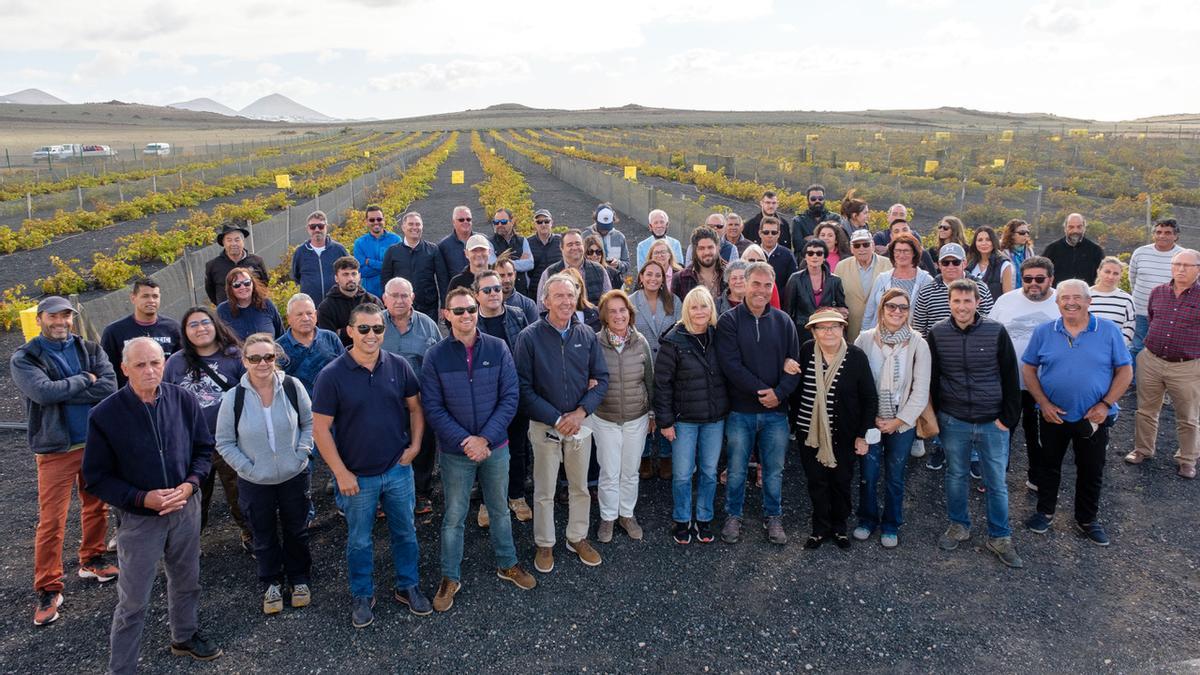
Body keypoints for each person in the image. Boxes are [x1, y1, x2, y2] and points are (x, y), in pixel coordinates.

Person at [83, 338, 223, 672]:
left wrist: (190, 486)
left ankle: (184, 636)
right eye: (141, 364)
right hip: (139, 520)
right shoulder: (105, 415)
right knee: (133, 600)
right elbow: (97, 478)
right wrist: (141, 498)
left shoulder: (183, 399)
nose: (149, 371)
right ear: (124, 368)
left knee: (187, 579)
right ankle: (122, 667)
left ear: (165, 363)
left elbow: (204, 450)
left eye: (156, 363)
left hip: (185, 509)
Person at [311, 303, 430, 628]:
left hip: (397, 470)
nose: (371, 335)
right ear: (349, 331)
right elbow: (320, 429)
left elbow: (415, 409)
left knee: (405, 531)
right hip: (356, 476)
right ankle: (362, 593)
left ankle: (408, 585)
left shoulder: (399, 365)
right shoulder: (331, 375)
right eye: (363, 329)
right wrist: (340, 472)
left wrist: (416, 446)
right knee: (359, 539)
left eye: (377, 329)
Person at [421, 288, 535, 612]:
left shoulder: (498, 348)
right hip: (456, 453)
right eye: (458, 311)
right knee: (454, 515)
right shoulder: (436, 356)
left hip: (495, 447)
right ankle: (450, 577)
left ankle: (507, 562)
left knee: (499, 508)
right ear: (446, 315)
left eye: (470, 309)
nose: (466, 315)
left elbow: (510, 397)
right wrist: (466, 441)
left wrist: (485, 438)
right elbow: (433, 406)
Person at [11, 295, 118, 626]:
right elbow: (42, 393)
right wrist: (86, 380)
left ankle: (92, 557)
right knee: (52, 520)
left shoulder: (89, 348)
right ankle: (47, 586)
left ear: (73, 318)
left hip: (93, 441)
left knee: (96, 505)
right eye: (53, 317)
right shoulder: (26, 357)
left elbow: (110, 386)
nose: (60, 322)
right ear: (40, 318)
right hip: (56, 447)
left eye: (66, 316)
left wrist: (66, 389)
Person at [1021, 280, 1131, 546]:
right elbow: (1028, 368)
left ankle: (1087, 519)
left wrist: (1105, 404)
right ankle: (1044, 512)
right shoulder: (1044, 332)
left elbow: (1125, 371)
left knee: (1091, 469)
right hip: (1052, 415)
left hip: (1093, 417)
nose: (1070, 302)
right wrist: (1043, 403)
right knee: (1048, 466)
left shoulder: (1107, 331)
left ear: (1088, 300)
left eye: (1076, 297)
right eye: (1064, 298)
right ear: (1057, 303)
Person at [515, 273, 609, 573]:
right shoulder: (529, 337)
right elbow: (522, 388)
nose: (566, 301)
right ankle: (545, 543)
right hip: (545, 426)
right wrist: (556, 418)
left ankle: (577, 536)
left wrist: (581, 413)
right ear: (546, 300)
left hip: (580, 425)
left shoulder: (586, 336)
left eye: (570, 296)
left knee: (580, 487)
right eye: (559, 296)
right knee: (544, 489)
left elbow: (602, 379)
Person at [215, 333, 315, 614]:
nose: (262, 363)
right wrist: (248, 468)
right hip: (255, 481)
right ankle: (271, 581)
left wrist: (301, 453)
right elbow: (224, 441)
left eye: (268, 357)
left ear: (276, 359)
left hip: (293, 475)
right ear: (245, 361)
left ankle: (299, 578)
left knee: (297, 529)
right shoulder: (233, 398)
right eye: (255, 358)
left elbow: (309, 422)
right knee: (263, 533)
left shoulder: (293, 387)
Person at [928, 280, 1023, 568]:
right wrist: (938, 415)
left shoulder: (995, 331)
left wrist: (1008, 419)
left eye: (967, 301)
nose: (962, 307)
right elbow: (933, 378)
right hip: (954, 419)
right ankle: (959, 525)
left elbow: (1010, 376)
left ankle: (1000, 536)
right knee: (956, 476)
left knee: (996, 482)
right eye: (956, 301)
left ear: (978, 302)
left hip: (992, 421)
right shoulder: (938, 333)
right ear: (949, 303)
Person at [717, 262, 800, 545]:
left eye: (768, 285)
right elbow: (731, 365)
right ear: (744, 284)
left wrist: (780, 393)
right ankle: (733, 515)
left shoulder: (784, 322)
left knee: (774, 469)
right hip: (741, 410)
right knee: (737, 467)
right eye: (756, 284)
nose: (761, 291)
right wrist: (764, 390)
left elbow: (794, 364)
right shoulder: (728, 321)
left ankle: (773, 516)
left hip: (776, 412)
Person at [163, 306, 253, 549]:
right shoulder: (176, 362)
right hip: (191, 444)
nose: (200, 328)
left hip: (232, 440)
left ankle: (250, 534)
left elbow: (253, 393)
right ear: (185, 332)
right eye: (193, 325)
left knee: (240, 492)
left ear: (216, 325)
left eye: (205, 322)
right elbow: (165, 400)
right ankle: (190, 543)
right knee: (195, 496)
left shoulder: (234, 356)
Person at [791, 309, 877, 550]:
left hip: (845, 434)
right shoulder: (807, 351)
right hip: (809, 433)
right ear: (814, 332)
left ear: (842, 329)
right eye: (822, 327)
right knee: (816, 481)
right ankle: (819, 529)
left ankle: (839, 528)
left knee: (841, 481)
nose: (828, 331)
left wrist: (863, 434)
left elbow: (869, 397)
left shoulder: (856, 357)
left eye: (834, 326)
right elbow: (795, 388)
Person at [851, 290, 930, 548]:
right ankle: (867, 519)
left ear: (909, 311)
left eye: (903, 308)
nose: (897, 312)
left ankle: (890, 524)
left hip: (901, 421)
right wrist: (867, 418)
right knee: (868, 473)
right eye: (892, 307)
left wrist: (898, 421)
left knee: (895, 475)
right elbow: (855, 383)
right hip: (870, 419)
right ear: (882, 309)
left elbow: (921, 390)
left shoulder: (918, 343)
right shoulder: (864, 340)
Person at [655, 287, 728, 544]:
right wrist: (665, 422)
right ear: (687, 310)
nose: (700, 312)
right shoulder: (674, 340)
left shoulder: (719, 337)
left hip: (714, 419)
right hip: (684, 420)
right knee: (683, 474)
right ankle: (682, 519)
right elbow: (662, 384)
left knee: (709, 472)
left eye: (704, 306)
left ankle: (704, 518)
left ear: (711, 310)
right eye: (694, 307)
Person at [1126, 249, 1200, 478]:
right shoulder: (1158, 292)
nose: (1180, 269)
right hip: (1151, 360)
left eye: (1187, 265)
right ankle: (1143, 449)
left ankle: (1187, 459)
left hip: (1186, 366)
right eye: (1177, 264)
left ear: (1198, 269)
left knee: (1188, 416)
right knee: (1146, 410)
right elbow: (1151, 317)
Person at [989, 256, 1060, 491]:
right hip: (1008, 382)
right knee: (1002, 432)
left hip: (1044, 386)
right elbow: (991, 335)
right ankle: (997, 476)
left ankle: (1037, 477)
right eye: (1028, 279)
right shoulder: (1006, 301)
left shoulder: (1063, 300)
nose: (1033, 284)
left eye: (1040, 279)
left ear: (1051, 278)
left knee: (1037, 435)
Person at [589, 290, 653, 543]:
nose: (618, 315)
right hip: (605, 418)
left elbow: (650, 381)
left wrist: (652, 413)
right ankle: (607, 516)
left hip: (636, 418)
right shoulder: (594, 343)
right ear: (604, 315)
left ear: (630, 313)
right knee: (609, 470)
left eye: (622, 310)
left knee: (630, 470)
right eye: (612, 311)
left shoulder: (641, 343)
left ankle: (626, 514)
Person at [472, 270, 532, 524]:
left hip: (515, 394)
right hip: (484, 399)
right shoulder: (470, 321)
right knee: (486, 450)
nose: (494, 293)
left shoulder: (518, 316)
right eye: (487, 290)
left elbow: (530, 353)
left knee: (517, 449)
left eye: (496, 288)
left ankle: (516, 495)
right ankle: (488, 501)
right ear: (477, 295)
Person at [380, 277, 442, 516]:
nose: (399, 300)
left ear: (412, 297)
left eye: (404, 295)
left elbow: (437, 361)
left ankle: (422, 492)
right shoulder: (377, 325)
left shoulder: (427, 325)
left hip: (420, 400)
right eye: (394, 295)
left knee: (423, 446)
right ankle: (388, 494)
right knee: (388, 446)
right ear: (384, 298)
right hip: (385, 401)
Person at [630, 260, 680, 479]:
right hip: (639, 362)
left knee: (665, 406)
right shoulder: (631, 302)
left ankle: (666, 456)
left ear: (663, 279)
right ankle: (645, 456)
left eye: (658, 275)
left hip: (668, 363)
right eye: (648, 274)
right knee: (643, 407)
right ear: (641, 277)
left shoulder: (674, 301)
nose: (653, 279)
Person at [100, 278, 181, 388]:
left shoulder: (173, 329)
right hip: (130, 398)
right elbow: (108, 371)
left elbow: (182, 364)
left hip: (168, 395)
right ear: (133, 298)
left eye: (155, 296)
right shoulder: (114, 331)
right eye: (145, 296)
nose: (151, 300)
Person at [1128, 218, 1184, 362]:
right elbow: (1132, 279)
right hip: (1140, 312)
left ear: (1176, 236)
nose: (1162, 236)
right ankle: (1133, 383)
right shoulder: (1140, 252)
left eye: (1167, 232)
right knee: (1136, 347)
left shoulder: (1183, 256)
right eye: (1158, 232)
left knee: (1162, 351)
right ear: (1154, 234)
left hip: (1168, 315)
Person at [911, 243, 995, 338]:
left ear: (964, 263)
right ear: (939, 265)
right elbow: (919, 330)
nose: (950, 266)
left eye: (956, 262)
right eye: (945, 262)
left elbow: (989, 323)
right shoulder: (926, 292)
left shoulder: (980, 289)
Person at [381, 210, 448, 319]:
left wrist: (444, 305)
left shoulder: (433, 250)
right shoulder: (392, 251)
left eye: (418, 224)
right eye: (410, 224)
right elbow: (385, 278)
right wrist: (387, 300)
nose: (414, 227)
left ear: (422, 227)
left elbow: (442, 278)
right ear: (403, 227)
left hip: (428, 306)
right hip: (400, 305)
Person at [862, 234, 933, 331]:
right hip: (881, 337)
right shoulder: (882, 279)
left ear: (914, 253)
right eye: (898, 251)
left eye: (906, 251)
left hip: (913, 338)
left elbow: (931, 315)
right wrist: (864, 335)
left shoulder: (926, 281)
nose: (901, 255)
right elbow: (869, 312)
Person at [277, 293, 345, 395]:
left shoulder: (331, 338)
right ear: (288, 318)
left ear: (316, 315)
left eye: (309, 313)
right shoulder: (279, 348)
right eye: (299, 314)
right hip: (296, 407)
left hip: (333, 404)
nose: (305, 318)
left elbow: (344, 371)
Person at [835, 229, 892, 341]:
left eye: (866, 244)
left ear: (873, 245)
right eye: (856, 245)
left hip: (882, 329)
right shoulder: (841, 267)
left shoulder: (889, 264)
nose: (861, 249)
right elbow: (835, 297)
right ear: (851, 249)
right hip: (852, 329)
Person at [784, 238, 848, 334]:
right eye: (810, 253)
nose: (814, 256)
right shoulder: (795, 279)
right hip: (802, 330)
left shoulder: (835, 280)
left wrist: (833, 310)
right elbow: (788, 310)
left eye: (819, 253)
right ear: (805, 257)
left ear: (824, 257)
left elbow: (843, 309)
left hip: (827, 330)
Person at [318, 256, 383, 347]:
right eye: (345, 274)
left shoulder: (373, 302)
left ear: (359, 276)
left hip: (372, 353)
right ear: (336, 278)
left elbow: (381, 331)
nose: (351, 278)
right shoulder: (326, 307)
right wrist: (364, 328)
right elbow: (329, 341)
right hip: (341, 357)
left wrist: (342, 332)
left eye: (354, 274)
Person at [536, 229, 611, 307]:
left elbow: (608, 302)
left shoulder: (599, 270)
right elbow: (542, 306)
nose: (575, 247)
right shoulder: (549, 273)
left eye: (578, 243)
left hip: (595, 318)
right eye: (570, 244)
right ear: (561, 248)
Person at [291, 210, 349, 302]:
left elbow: (349, 272)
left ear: (326, 227)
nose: (317, 230)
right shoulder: (300, 252)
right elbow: (296, 277)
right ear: (308, 228)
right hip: (311, 307)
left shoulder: (339, 250)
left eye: (321, 226)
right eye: (313, 227)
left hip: (337, 304)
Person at [205, 223, 268, 305]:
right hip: (227, 314)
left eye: (237, 240)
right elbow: (211, 292)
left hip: (254, 309)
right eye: (229, 240)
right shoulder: (213, 265)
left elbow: (264, 284)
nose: (233, 243)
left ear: (243, 241)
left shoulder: (256, 261)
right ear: (223, 243)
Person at [216, 268, 283, 340]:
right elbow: (220, 341)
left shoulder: (266, 304)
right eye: (237, 285)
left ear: (253, 284)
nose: (243, 287)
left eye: (247, 282)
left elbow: (281, 335)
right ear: (230, 288)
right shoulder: (223, 310)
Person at [1042, 213, 1105, 286]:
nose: (1075, 231)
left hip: (1086, 295)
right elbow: (1042, 273)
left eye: (1079, 227)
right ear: (1065, 228)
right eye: (1071, 227)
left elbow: (1102, 276)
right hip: (1059, 295)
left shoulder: (1095, 250)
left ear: (1084, 228)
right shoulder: (1052, 249)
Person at [353, 205, 401, 298]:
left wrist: (370, 262)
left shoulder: (395, 240)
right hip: (369, 296)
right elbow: (361, 272)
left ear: (384, 220)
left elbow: (398, 268)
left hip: (393, 295)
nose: (376, 222)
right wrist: (387, 267)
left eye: (379, 219)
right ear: (366, 221)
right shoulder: (359, 243)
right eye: (372, 220)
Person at [1089, 257, 1136, 347]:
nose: (1111, 277)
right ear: (1098, 271)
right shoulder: (1084, 295)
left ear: (1120, 275)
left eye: (1115, 273)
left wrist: (1115, 348)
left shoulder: (1127, 300)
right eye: (1107, 272)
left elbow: (1129, 329)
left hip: (1114, 352)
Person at [672, 226, 728, 301]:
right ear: (694, 250)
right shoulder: (680, 279)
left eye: (710, 247)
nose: (707, 252)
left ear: (718, 248)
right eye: (701, 248)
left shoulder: (730, 274)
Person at [490, 208, 534, 296]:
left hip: (522, 293)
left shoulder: (522, 241)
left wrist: (502, 261)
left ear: (512, 221)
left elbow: (530, 263)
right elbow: (493, 265)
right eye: (496, 222)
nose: (499, 225)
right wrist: (520, 263)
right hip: (500, 295)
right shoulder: (489, 242)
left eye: (503, 222)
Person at [966, 225, 1015, 300]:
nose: (984, 243)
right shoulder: (970, 265)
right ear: (975, 243)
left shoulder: (1004, 265)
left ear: (994, 241)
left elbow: (1008, 298)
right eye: (980, 240)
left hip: (995, 310)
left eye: (988, 239)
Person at [587, 203, 630, 277]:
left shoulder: (620, 237)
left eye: (607, 227)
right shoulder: (586, 236)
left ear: (613, 221)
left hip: (615, 282)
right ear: (595, 220)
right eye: (602, 227)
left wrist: (618, 265)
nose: (604, 231)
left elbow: (627, 264)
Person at [495, 253, 539, 325]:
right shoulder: (487, 304)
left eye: (510, 274)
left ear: (515, 275)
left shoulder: (528, 305)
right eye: (501, 275)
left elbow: (534, 334)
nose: (507, 280)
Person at [527, 209, 563, 295]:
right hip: (535, 292)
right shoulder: (527, 243)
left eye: (546, 221)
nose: (543, 224)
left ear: (551, 223)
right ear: (535, 224)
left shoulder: (561, 241)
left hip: (558, 289)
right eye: (539, 222)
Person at [437, 205, 476, 284]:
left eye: (468, 219)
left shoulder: (482, 241)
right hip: (457, 293)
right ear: (453, 222)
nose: (465, 222)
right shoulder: (444, 246)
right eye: (461, 220)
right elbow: (442, 278)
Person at [758, 217, 797, 291]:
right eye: (766, 232)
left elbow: (792, 283)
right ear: (760, 233)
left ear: (778, 234)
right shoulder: (752, 253)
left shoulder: (788, 255)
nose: (770, 235)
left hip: (781, 300)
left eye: (774, 232)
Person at [738, 245, 782, 309]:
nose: (755, 264)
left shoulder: (770, 282)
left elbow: (776, 308)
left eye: (760, 261)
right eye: (751, 260)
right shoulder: (736, 280)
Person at [999, 219, 1035, 289]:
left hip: (1026, 292)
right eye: (1022, 233)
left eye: (1028, 232)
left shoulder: (1029, 251)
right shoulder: (1001, 251)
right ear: (1011, 234)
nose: (1026, 235)